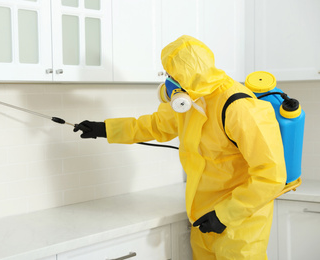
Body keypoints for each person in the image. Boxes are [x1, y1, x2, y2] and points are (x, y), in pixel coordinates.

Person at [73, 35, 286, 260]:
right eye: (168, 74)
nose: (168, 80)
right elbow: (155, 125)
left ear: (188, 75)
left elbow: (271, 176)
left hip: (241, 222)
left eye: (171, 75)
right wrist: (105, 129)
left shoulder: (239, 108)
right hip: (203, 216)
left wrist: (225, 215)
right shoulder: (189, 100)